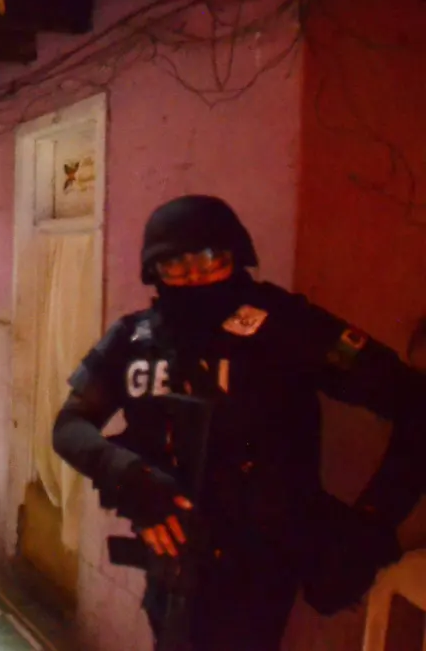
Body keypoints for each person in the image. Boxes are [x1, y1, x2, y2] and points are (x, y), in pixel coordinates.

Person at [52, 195, 425, 650]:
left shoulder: (284, 326)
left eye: (210, 260)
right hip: (173, 554)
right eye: (175, 265)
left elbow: (414, 401)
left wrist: (370, 522)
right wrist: (129, 477)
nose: (194, 276)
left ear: (236, 257)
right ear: (155, 271)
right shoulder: (136, 338)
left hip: (259, 560)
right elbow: (70, 426)